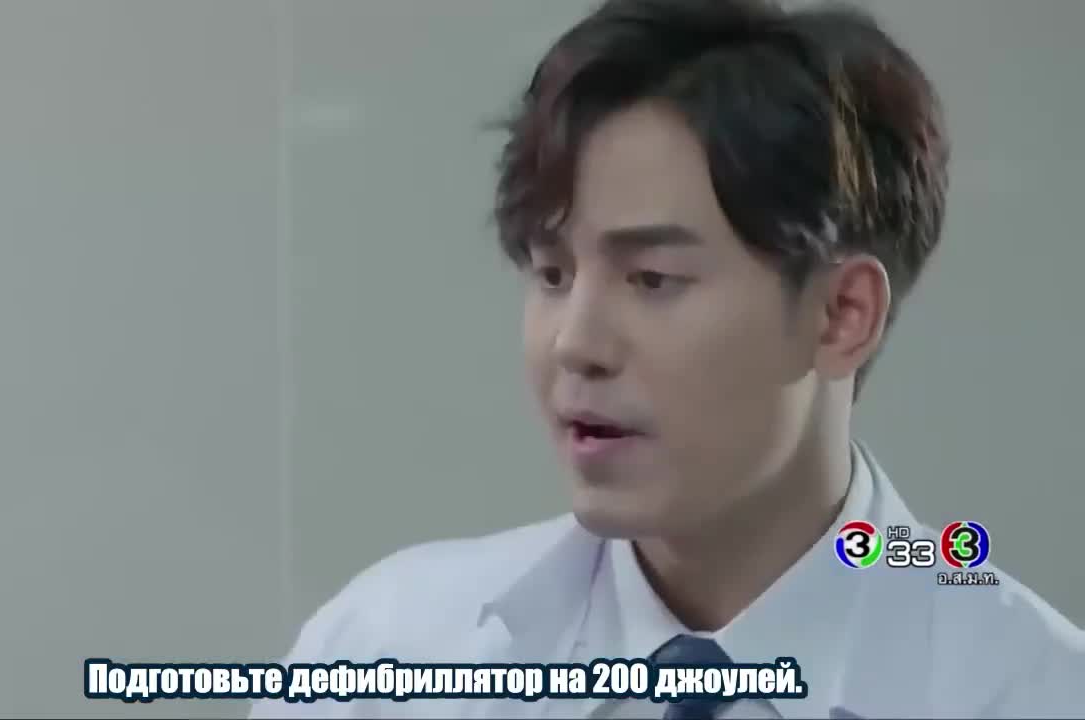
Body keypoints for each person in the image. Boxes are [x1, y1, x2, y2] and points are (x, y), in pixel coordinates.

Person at [250, 0, 1084, 718]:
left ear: (842, 315)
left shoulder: (1031, 692)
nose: (576, 343)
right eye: (552, 273)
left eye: (652, 279)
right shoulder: (384, 658)